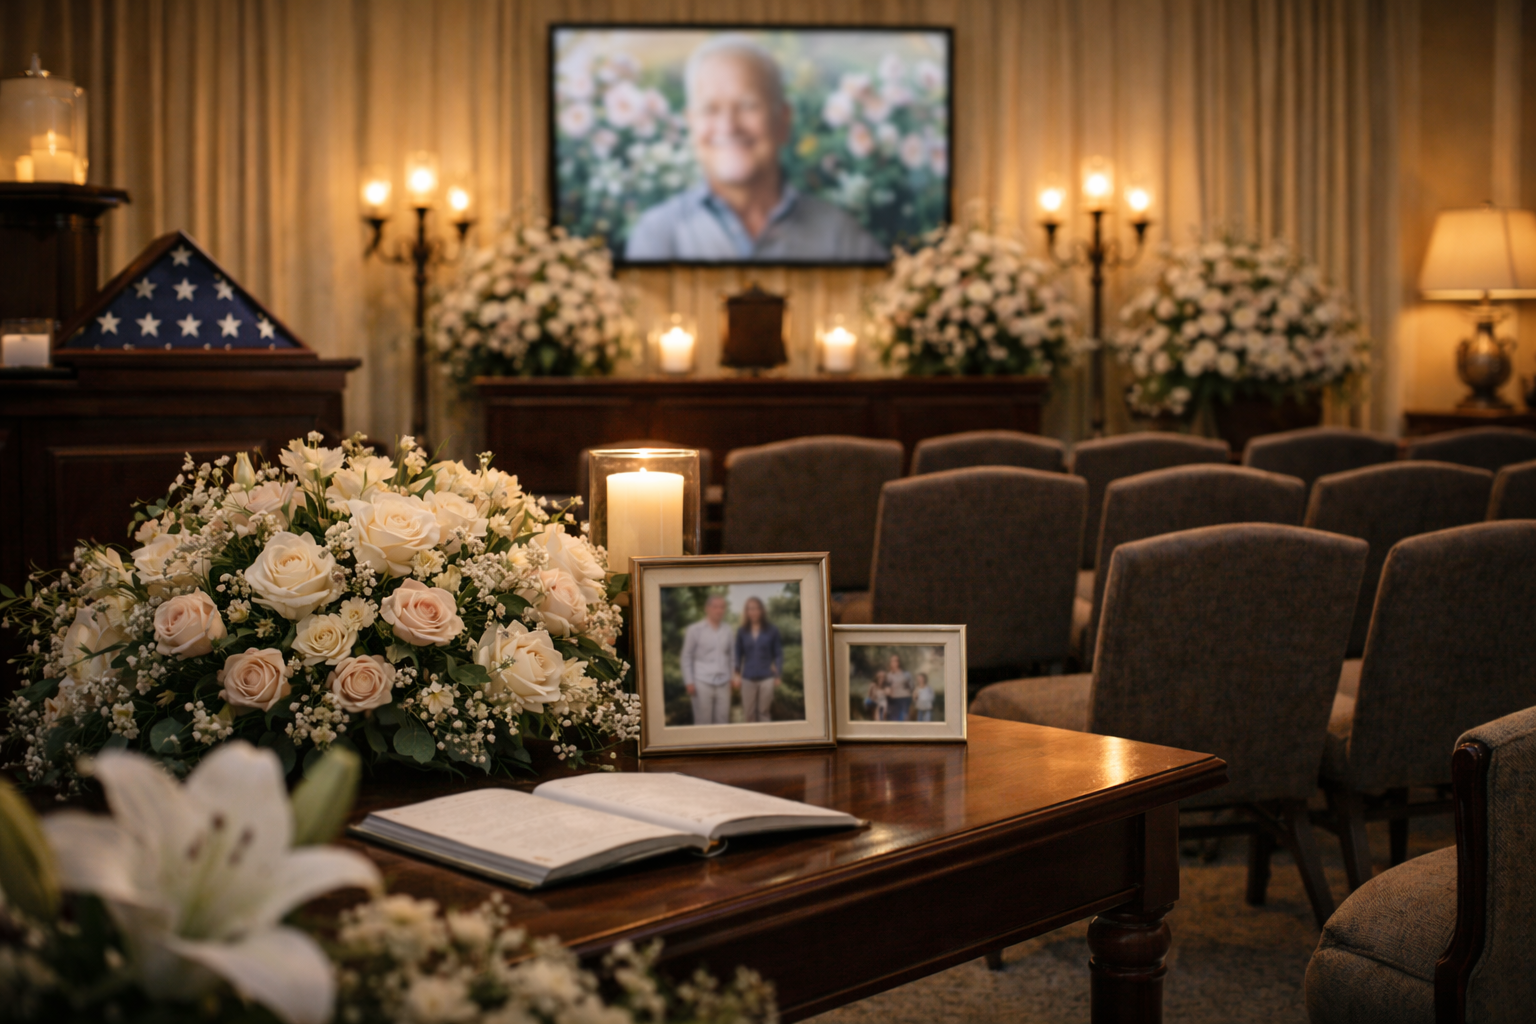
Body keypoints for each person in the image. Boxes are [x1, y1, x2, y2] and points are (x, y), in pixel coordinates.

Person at [624, 35, 888, 262]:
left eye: (748, 105)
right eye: (710, 109)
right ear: (690, 124)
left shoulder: (839, 236)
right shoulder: (657, 235)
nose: (728, 126)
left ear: (783, 120)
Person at [680, 594, 734, 725]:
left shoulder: (728, 630)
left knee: (723, 721)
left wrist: (733, 677)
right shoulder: (695, 630)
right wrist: (689, 681)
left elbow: (732, 656)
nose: (718, 610)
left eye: (722, 607)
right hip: (702, 682)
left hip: (724, 682)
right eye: (715, 607)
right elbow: (686, 656)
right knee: (703, 722)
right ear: (707, 608)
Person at [732, 596, 783, 723]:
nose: (753, 612)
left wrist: (778, 674)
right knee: (749, 715)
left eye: (755, 608)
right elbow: (737, 654)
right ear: (746, 612)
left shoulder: (772, 630)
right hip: (747, 678)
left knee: (764, 713)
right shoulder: (742, 631)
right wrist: (736, 674)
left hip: (766, 679)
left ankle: (767, 742)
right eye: (749, 609)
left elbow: (778, 654)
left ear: (761, 610)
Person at [884, 653, 914, 722]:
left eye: (897, 660)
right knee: (893, 720)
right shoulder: (889, 675)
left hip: (904, 698)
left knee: (905, 719)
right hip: (893, 700)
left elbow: (912, 686)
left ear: (899, 662)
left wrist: (908, 685)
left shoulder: (906, 674)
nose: (895, 663)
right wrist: (887, 691)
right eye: (893, 661)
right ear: (890, 663)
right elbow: (886, 689)